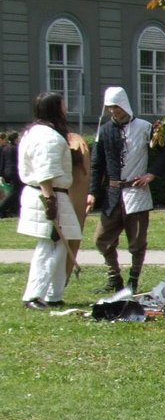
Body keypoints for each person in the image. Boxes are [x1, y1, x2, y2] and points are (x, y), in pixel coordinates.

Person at [17, 92, 82, 309]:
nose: (65, 109)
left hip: (49, 193)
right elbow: (45, 172)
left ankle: (54, 294)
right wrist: (50, 202)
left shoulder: (35, 133)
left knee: (60, 245)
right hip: (49, 194)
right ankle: (33, 295)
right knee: (50, 245)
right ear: (55, 108)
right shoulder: (48, 137)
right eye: (62, 105)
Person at [87, 87, 154, 293]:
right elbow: (97, 163)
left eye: (116, 106)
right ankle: (114, 278)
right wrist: (92, 192)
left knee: (137, 241)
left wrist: (151, 174)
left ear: (124, 104)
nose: (113, 111)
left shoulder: (145, 127)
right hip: (114, 194)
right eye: (109, 107)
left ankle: (133, 280)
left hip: (137, 192)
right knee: (101, 239)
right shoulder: (105, 130)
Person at [0, 130, 19, 217]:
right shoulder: (17, 148)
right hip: (15, 171)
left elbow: (2, 161)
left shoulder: (5, 148)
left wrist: (1, 173)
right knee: (16, 191)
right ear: (15, 139)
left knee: (14, 190)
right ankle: (2, 208)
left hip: (7, 172)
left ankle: (13, 209)